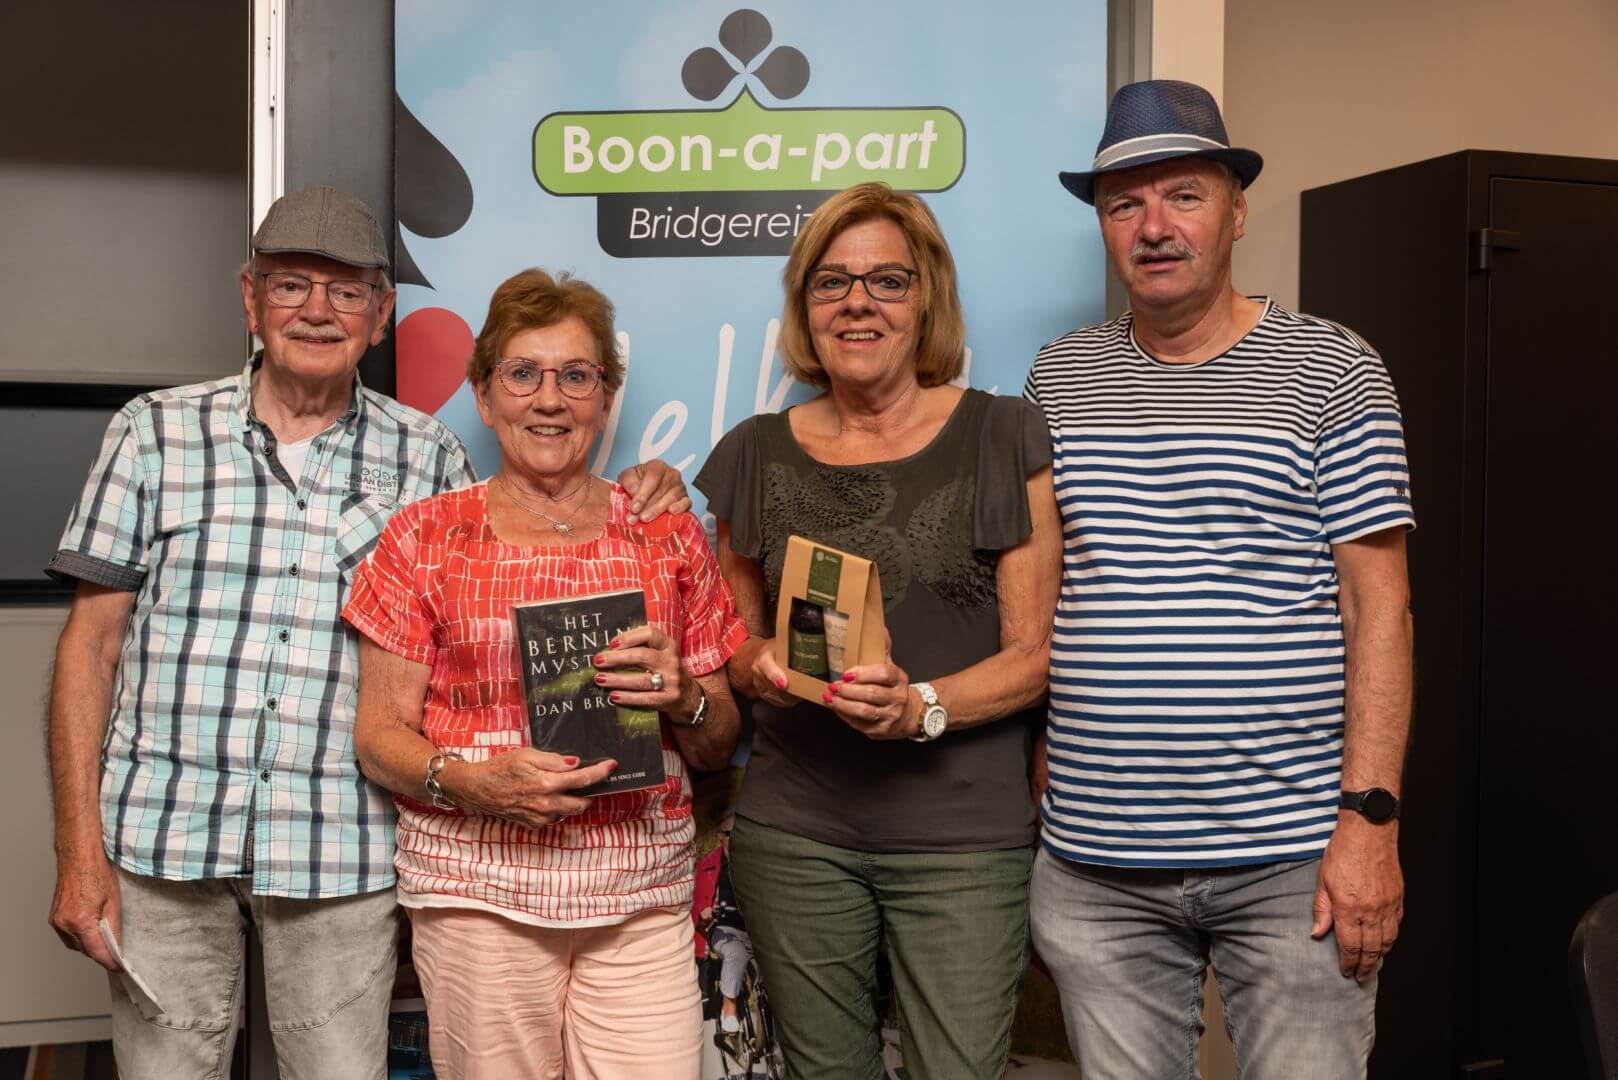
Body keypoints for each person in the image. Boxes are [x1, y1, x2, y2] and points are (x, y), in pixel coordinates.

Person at [43, 186, 688, 1079]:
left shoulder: (428, 458)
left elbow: (494, 604)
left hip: (338, 851)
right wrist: (77, 851)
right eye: (290, 285)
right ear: (250, 298)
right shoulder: (153, 433)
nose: (317, 310)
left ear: (381, 314)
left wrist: (647, 489)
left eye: (346, 291)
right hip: (163, 842)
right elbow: (90, 647)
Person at [1027, 80, 1415, 1079]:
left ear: (1236, 212)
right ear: (1103, 227)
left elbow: (1379, 608)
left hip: (1293, 861)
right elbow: (1038, 598)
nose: (1153, 227)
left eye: (1184, 196)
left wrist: (1370, 822)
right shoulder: (1058, 378)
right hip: (1097, 866)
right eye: (1125, 204)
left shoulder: (1333, 370)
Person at [695, 181, 1062, 1079]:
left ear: (926, 298)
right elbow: (732, 647)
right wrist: (765, 665)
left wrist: (919, 706)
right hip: (797, 833)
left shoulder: (1003, 434)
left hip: (964, 839)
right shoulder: (753, 451)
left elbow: (1037, 656)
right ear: (805, 305)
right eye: (832, 282)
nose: (858, 302)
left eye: (887, 281)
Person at [343, 267, 746, 1080]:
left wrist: (686, 697)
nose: (550, 399)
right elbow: (378, 738)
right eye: (523, 374)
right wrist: (474, 783)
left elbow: (717, 743)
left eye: (576, 375)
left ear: (605, 396)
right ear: (485, 396)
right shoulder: (424, 537)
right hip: (479, 895)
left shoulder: (666, 533)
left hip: (639, 897)